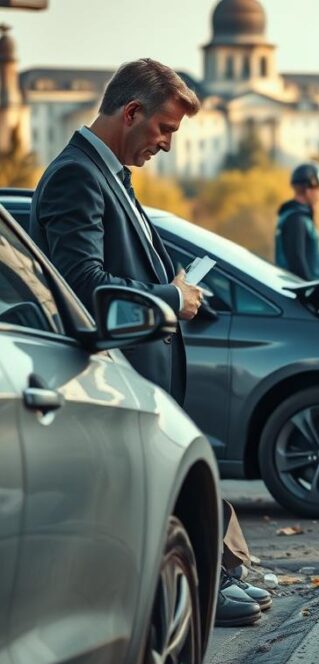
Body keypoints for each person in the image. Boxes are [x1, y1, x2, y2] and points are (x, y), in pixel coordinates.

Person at [28, 58, 269, 628]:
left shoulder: (107, 174)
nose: (166, 145)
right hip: (107, 379)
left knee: (161, 494)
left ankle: (204, 583)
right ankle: (192, 595)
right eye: (164, 129)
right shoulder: (76, 175)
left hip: (132, 378)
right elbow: (80, 282)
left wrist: (177, 288)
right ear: (131, 112)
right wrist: (168, 297)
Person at [275, 161, 319, 280]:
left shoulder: (300, 217)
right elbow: (296, 261)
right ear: (309, 189)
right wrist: (310, 292)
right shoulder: (296, 220)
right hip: (303, 293)